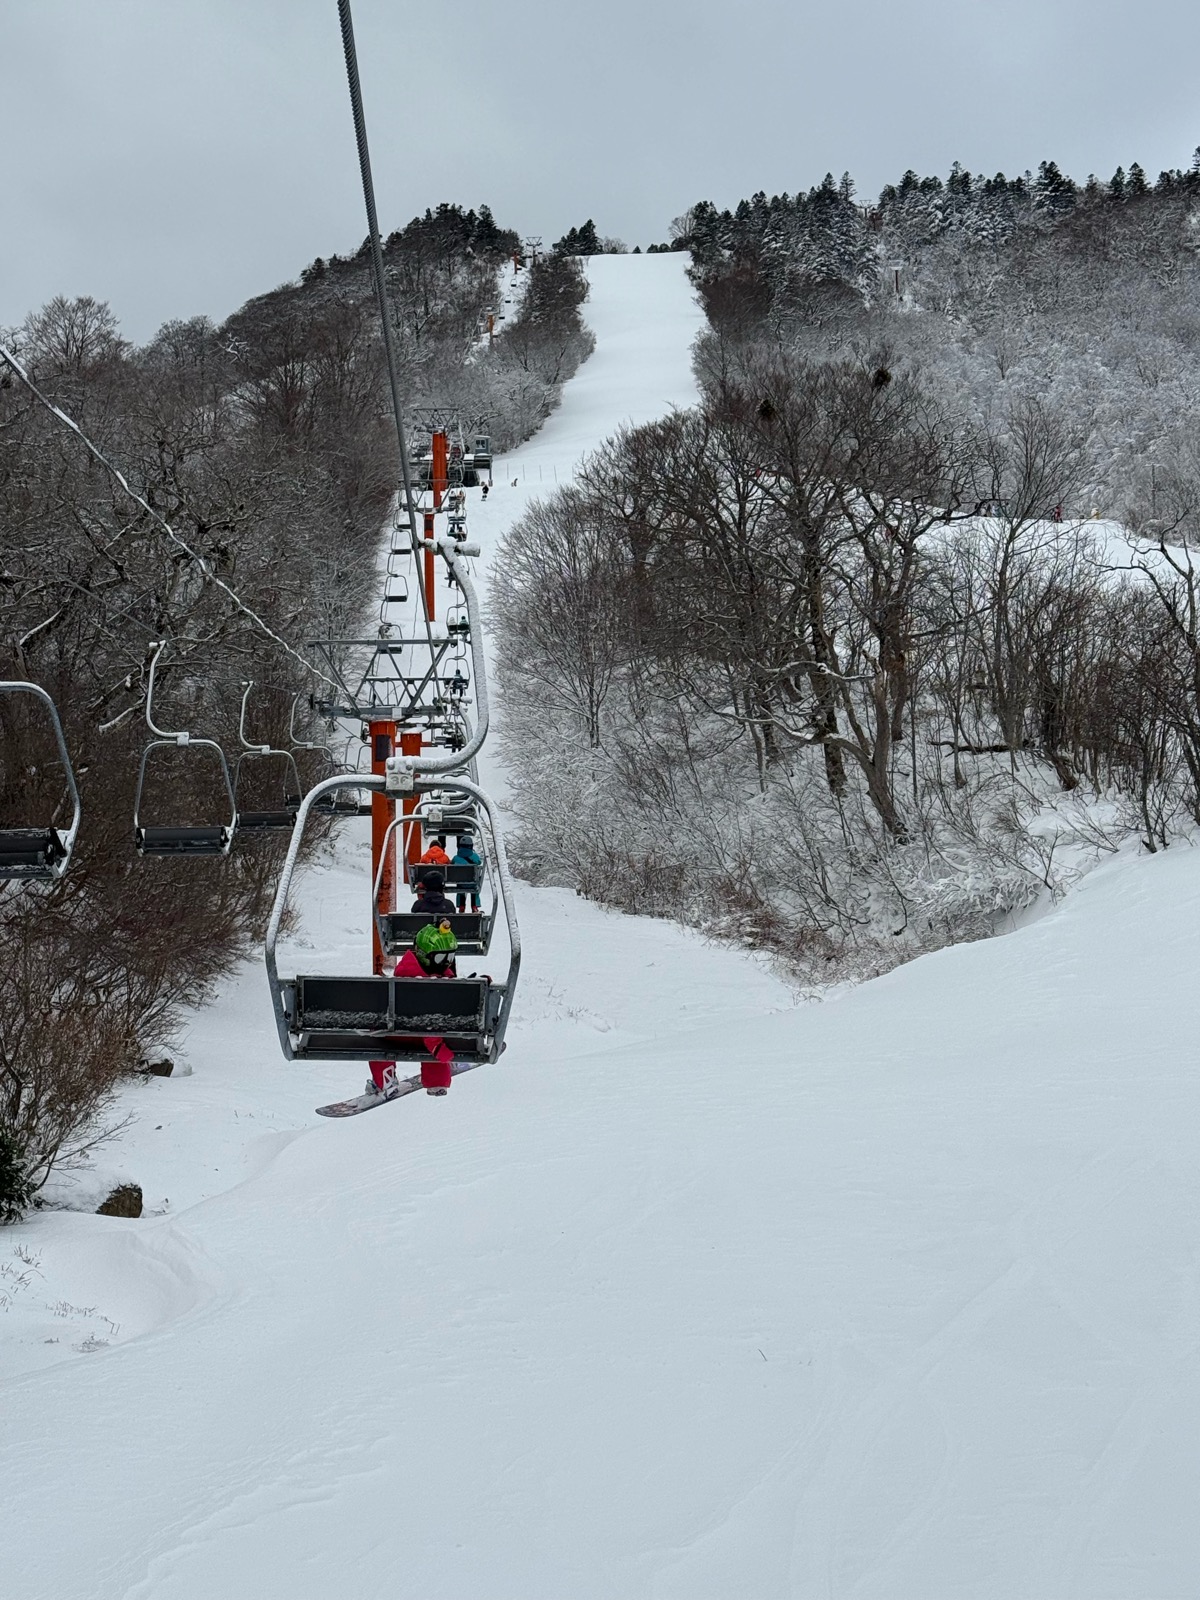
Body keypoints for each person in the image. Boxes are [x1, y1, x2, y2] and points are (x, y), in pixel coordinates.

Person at [366, 922, 459, 1098]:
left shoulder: (403, 976)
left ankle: (385, 1081)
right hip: (428, 1038)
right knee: (437, 1038)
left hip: (394, 1036)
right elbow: (430, 1022)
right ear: (425, 956)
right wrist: (438, 1048)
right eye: (441, 958)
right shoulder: (432, 985)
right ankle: (436, 1081)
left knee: (377, 1037)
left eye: (450, 957)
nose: (446, 963)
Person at [452, 832, 482, 912]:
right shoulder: (474, 856)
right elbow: (479, 862)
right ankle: (474, 906)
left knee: (461, 890)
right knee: (474, 888)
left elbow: (451, 864)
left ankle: (461, 906)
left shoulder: (456, 858)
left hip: (461, 883)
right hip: (472, 883)